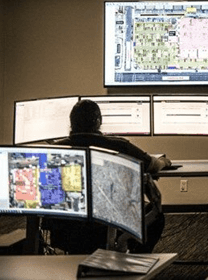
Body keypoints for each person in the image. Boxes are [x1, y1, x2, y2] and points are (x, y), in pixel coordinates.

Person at [44, 99, 171, 253]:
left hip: (66, 232)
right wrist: (164, 161)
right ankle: (136, 261)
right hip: (110, 229)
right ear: (99, 121)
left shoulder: (53, 150)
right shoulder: (119, 145)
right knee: (155, 216)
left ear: (71, 123)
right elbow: (154, 166)